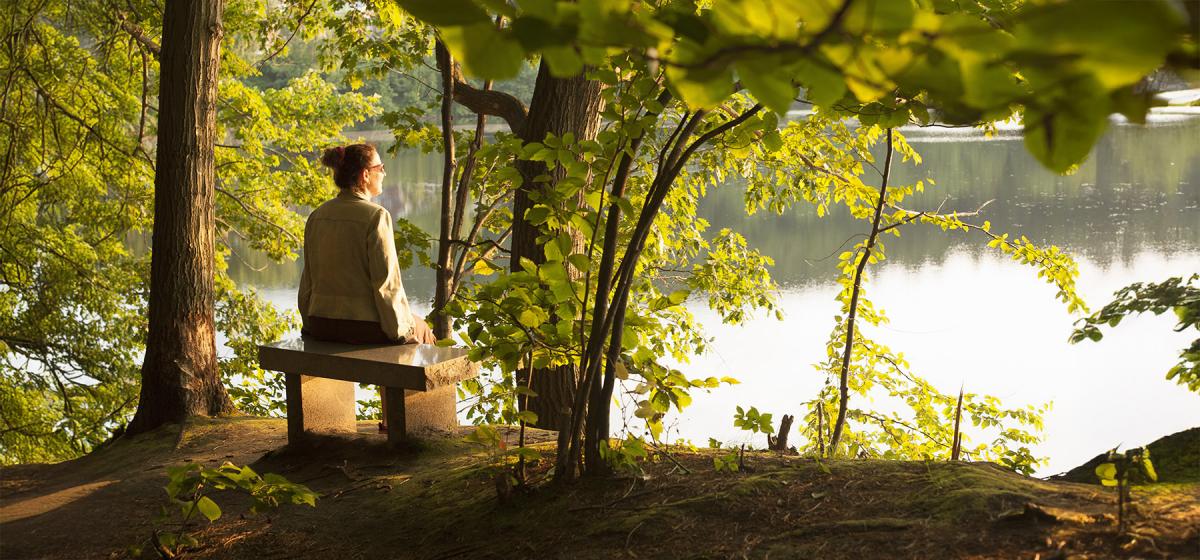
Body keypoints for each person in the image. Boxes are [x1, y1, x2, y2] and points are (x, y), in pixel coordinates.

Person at [299, 143, 436, 430]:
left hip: (321, 322)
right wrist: (404, 332)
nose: (384, 173)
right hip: (360, 326)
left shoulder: (317, 216)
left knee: (406, 327)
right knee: (419, 329)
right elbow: (387, 287)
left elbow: (308, 280)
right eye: (379, 168)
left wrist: (309, 325)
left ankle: (395, 418)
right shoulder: (376, 216)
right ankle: (405, 422)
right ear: (364, 175)